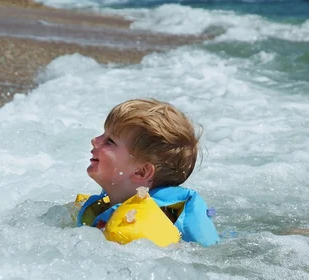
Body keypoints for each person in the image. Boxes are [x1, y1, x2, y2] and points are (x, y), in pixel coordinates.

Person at [75, 98, 219, 247]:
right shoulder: (106, 205)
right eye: (103, 134)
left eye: (110, 141)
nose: (95, 140)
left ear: (141, 172)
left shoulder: (139, 235)